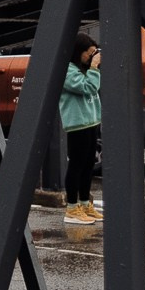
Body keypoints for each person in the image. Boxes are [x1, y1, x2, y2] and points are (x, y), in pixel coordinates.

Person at [60, 31, 103, 226]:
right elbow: (88, 88)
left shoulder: (83, 68)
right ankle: (71, 208)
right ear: (78, 52)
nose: (92, 57)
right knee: (76, 165)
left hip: (91, 121)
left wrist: (94, 67)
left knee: (88, 165)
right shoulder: (67, 70)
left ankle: (85, 204)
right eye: (90, 53)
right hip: (77, 124)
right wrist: (94, 67)